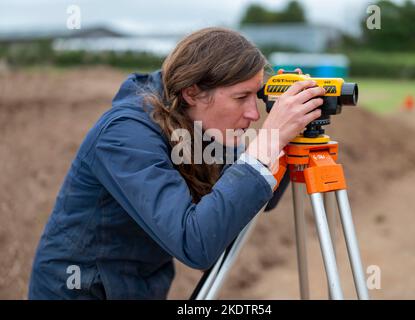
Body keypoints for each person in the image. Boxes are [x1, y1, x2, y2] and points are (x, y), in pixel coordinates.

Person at [28, 27, 325, 299]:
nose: (254, 114)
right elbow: (194, 243)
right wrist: (268, 142)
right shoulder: (124, 136)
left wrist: (288, 136)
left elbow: (257, 196)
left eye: (256, 96)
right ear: (192, 91)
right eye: (241, 97)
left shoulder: (199, 120)